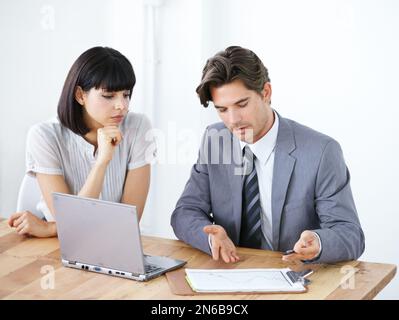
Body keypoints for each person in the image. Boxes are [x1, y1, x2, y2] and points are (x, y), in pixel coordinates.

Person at [171, 46, 365, 264]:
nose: (233, 120)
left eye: (241, 104)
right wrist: (209, 236)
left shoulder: (321, 151)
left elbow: (350, 235)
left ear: (266, 93)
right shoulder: (215, 139)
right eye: (222, 109)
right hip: (231, 271)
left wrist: (319, 242)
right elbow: (185, 212)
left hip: (295, 277)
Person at [8, 46, 156, 237]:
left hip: (115, 243)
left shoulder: (138, 127)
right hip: (55, 249)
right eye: (109, 96)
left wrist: (50, 228)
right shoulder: (43, 136)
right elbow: (73, 226)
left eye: (126, 95)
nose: (122, 106)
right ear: (80, 95)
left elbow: (128, 223)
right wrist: (102, 161)